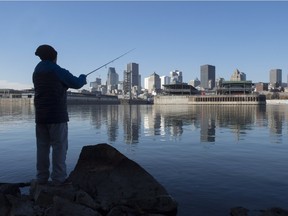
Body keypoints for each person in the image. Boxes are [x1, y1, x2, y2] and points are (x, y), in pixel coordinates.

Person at [33, 44, 87, 185]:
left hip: (40, 116)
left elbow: (52, 85)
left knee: (42, 148)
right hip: (57, 115)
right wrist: (83, 77)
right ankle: (58, 179)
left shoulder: (37, 70)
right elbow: (76, 83)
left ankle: (41, 178)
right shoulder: (56, 70)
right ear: (54, 57)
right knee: (59, 147)